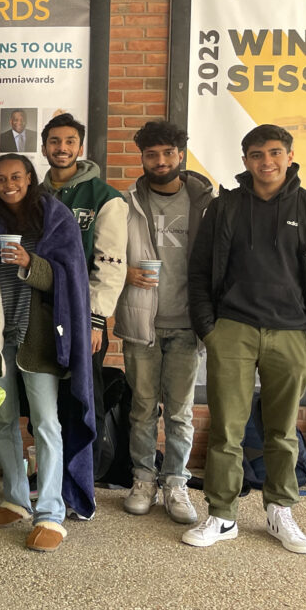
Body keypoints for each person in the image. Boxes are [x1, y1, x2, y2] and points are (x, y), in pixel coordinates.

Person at [0, 154, 96, 552]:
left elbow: (69, 281)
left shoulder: (56, 218)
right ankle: (15, 500)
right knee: (3, 422)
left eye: (15, 177)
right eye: (0, 179)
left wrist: (30, 262)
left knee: (46, 423)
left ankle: (50, 513)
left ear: (30, 177)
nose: (8, 184)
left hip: (41, 341)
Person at [183, 124, 306, 553]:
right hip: (232, 330)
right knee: (226, 429)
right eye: (257, 155)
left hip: (292, 333)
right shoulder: (226, 207)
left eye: (275, 153)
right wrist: (210, 329)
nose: (266, 162)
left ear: (290, 156)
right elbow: (199, 270)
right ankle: (222, 515)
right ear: (245, 161)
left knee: (282, 430)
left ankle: (280, 511)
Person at [114, 121, 213, 524]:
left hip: (188, 323)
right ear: (142, 158)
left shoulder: (206, 202)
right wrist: (124, 274)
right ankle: (143, 479)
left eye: (167, 153)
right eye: (152, 154)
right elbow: (105, 257)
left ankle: (175, 482)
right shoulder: (125, 202)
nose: (160, 161)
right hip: (142, 322)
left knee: (180, 411)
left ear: (180, 155)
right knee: (141, 408)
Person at [40, 112, 127, 486]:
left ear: (79, 147)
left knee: (82, 398)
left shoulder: (104, 198)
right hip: (40, 314)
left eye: (69, 142)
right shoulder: (35, 194)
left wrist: (95, 319)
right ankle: (49, 472)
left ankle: (83, 479)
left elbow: (111, 263)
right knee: (48, 399)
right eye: (55, 142)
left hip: (81, 318)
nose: (62, 148)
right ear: (44, 147)